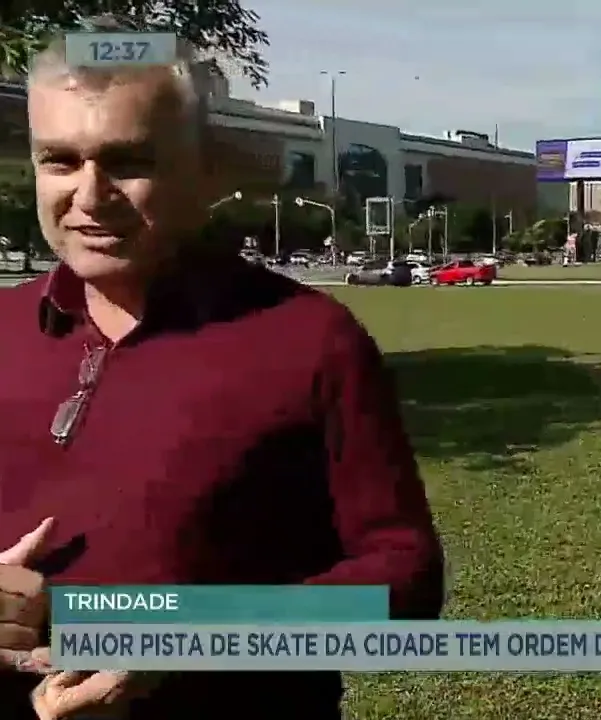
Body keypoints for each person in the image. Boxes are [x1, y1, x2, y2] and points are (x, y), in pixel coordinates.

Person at [0, 17, 445, 720]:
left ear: (203, 170)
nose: (90, 194)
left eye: (130, 160)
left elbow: (405, 581)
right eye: (60, 159)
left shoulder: (309, 340)